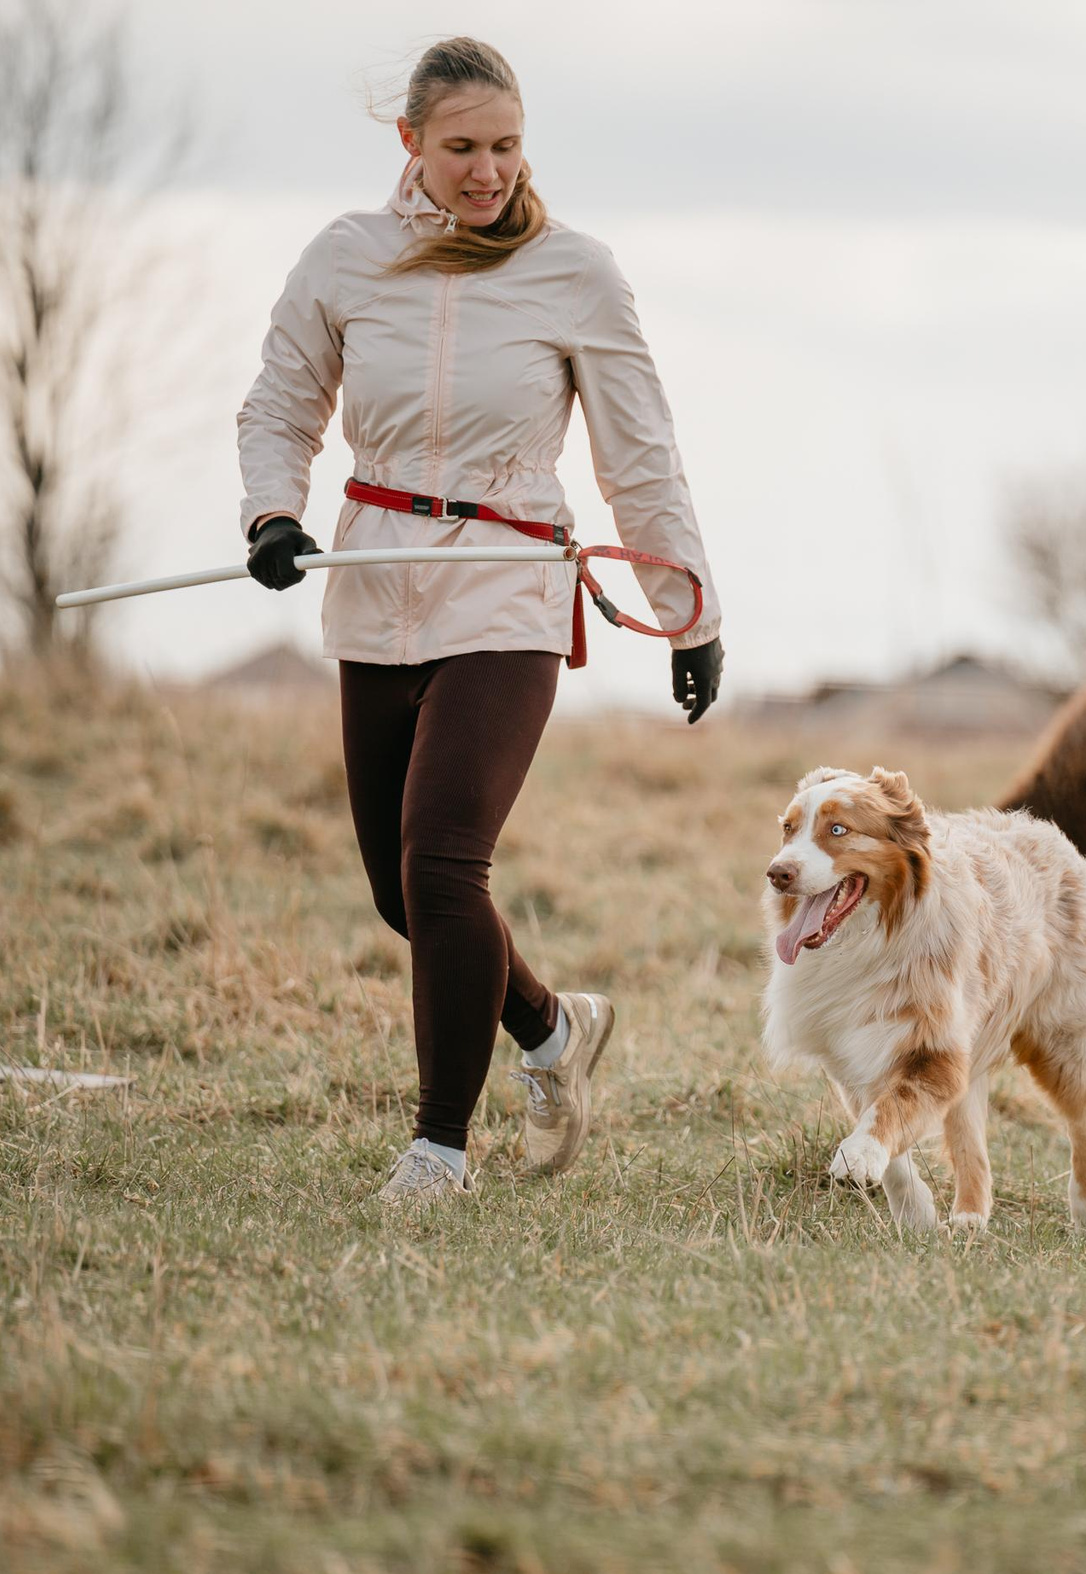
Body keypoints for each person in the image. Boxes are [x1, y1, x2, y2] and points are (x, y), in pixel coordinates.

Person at [236, 36, 723, 1203]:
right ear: (409, 143)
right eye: (462, 148)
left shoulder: (576, 273)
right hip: (375, 582)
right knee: (399, 893)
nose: (488, 171)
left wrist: (687, 609)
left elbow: (639, 453)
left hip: (509, 583)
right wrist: (269, 515)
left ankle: (438, 1150)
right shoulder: (343, 260)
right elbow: (280, 403)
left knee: (445, 862)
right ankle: (553, 1030)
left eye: (506, 146)